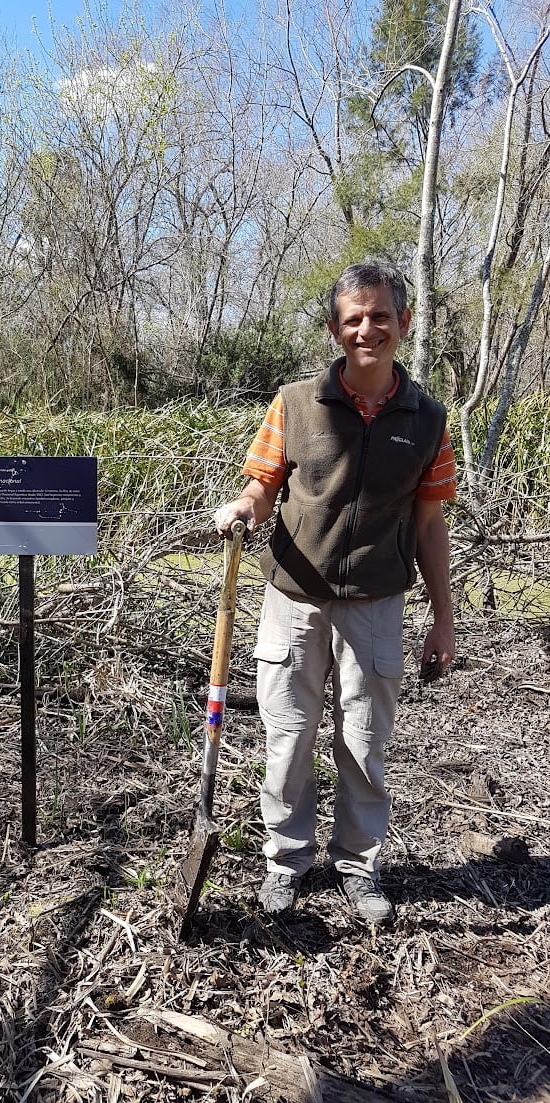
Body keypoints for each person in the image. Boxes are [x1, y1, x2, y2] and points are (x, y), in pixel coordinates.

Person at [214, 260, 456, 925]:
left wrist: (443, 619)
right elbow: (262, 485)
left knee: (365, 739)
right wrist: (243, 508)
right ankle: (285, 862)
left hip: (377, 601)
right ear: (333, 328)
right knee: (286, 737)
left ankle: (358, 864)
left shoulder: (428, 420)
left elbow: (429, 524)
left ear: (402, 323)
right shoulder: (294, 402)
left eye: (379, 316)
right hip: (293, 596)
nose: (366, 329)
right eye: (353, 318)